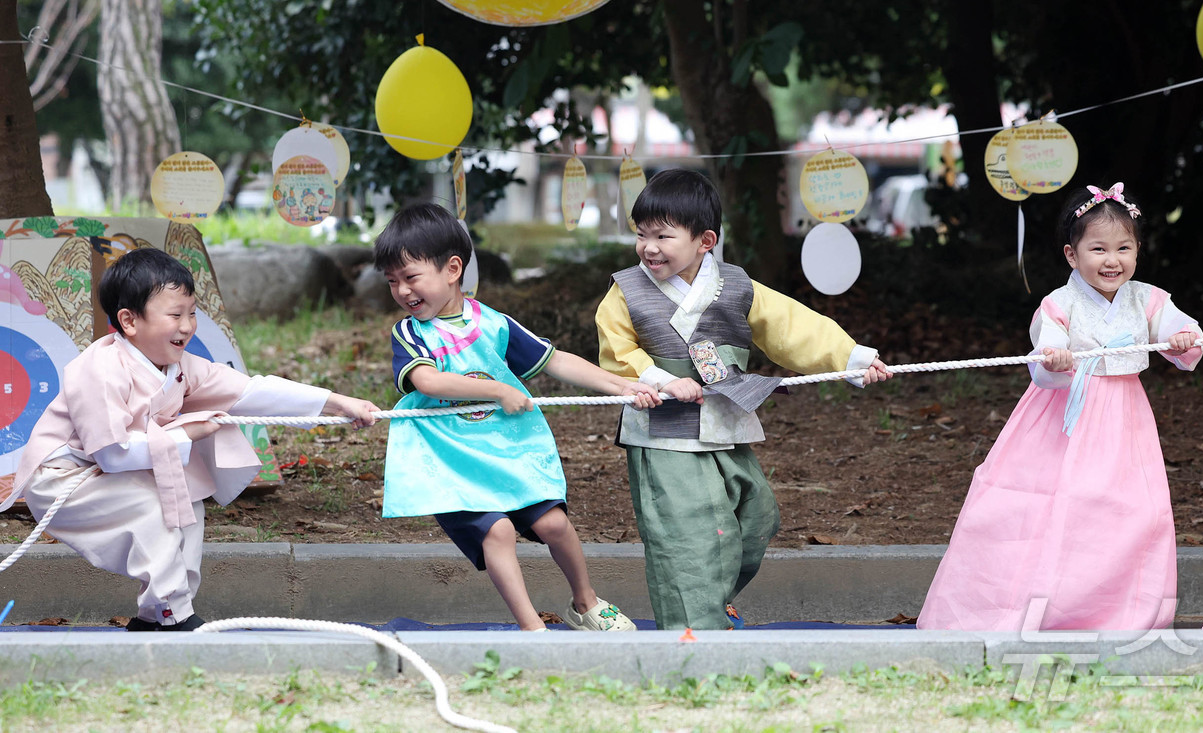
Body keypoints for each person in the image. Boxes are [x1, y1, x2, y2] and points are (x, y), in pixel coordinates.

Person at [0, 247, 380, 631]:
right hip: (62, 478)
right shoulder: (97, 370)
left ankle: (156, 614)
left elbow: (250, 392)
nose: (187, 326)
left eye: (192, 313)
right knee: (156, 508)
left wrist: (337, 403)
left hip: (110, 467)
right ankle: (173, 614)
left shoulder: (179, 367)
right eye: (175, 314)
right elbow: (113, 455)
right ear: (129, 321)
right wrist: (186, 432)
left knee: (187, 502)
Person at [596, 169, 891, 631]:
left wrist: (852, 359)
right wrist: (657, 380)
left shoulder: (736, 285)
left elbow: (794, 328)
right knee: (687, 535)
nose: (648, 247)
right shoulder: (626, 290)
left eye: (663, 235)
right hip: (662, 434)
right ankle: (692, 636)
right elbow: (615, 349)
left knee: (757, 517)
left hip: (726, 423)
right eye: (641, 234)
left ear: (705, 240)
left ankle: (709, 601)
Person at [918, 182, 1203, 631]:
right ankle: (1032, 607)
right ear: (1072, 255)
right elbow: (1045, 352)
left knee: (1131, 510)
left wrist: (1186, 335)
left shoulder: (1147, 298)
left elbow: (1179, 332)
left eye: (1124, 248)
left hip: (1124, 414)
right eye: (1099, 249)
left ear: (1137, 250)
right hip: (1062, 414)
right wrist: (1055, 356)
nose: (1113, 260)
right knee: (1045, 506)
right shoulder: (1059, 304)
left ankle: (1117, 615)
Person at [373, 203, 661, 632]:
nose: (402, 291)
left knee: (554, 523)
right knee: (500, 532)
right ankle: (533, 630)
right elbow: (429, 383)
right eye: (392, 281)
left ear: (453, 269)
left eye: (411, 277)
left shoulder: (493, 323)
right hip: (453, 463)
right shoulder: (411, 332)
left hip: (508, 453)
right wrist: (497, 389)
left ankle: (586, 604)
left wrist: (623, 387)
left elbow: (555, 360)